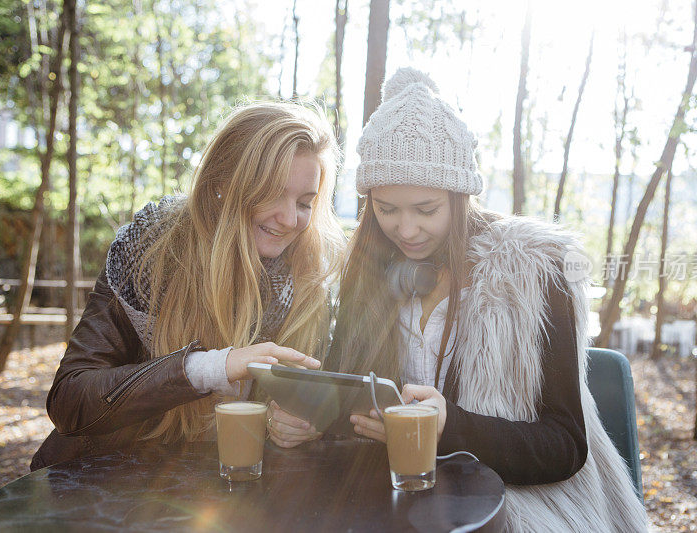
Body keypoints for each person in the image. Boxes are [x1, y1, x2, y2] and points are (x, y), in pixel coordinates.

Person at [272, 68, 648, 531]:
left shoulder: (534, 270)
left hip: (517, 505)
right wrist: (310, 420)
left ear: (460, 196)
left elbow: (565, 445)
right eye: (387, 210)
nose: (405, 230)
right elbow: (351, 394)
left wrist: (449, 426)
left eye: (426, 210)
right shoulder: (368, 269)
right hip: (397, 498)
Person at [31, 101, 344, 470]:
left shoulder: (308, 279)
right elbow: (70, 400)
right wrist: (211, 368)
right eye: (274, 193)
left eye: (305, 202)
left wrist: (297, 425)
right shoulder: (150, 251)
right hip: (101, 488)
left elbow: (316, 408)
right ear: (223, 184)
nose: (290, 219)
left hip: (224, 495)